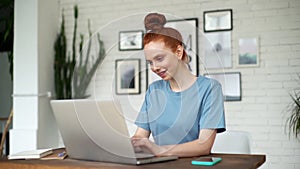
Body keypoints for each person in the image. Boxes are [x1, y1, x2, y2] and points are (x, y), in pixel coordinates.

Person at [131, 13, 226, 157]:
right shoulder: (154, 90)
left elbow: (204, 145)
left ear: (178, 52)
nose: (155, 67)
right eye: (150, 62)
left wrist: (161, 150)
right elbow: (140, 137)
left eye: (160, 58)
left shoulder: (210, 89)